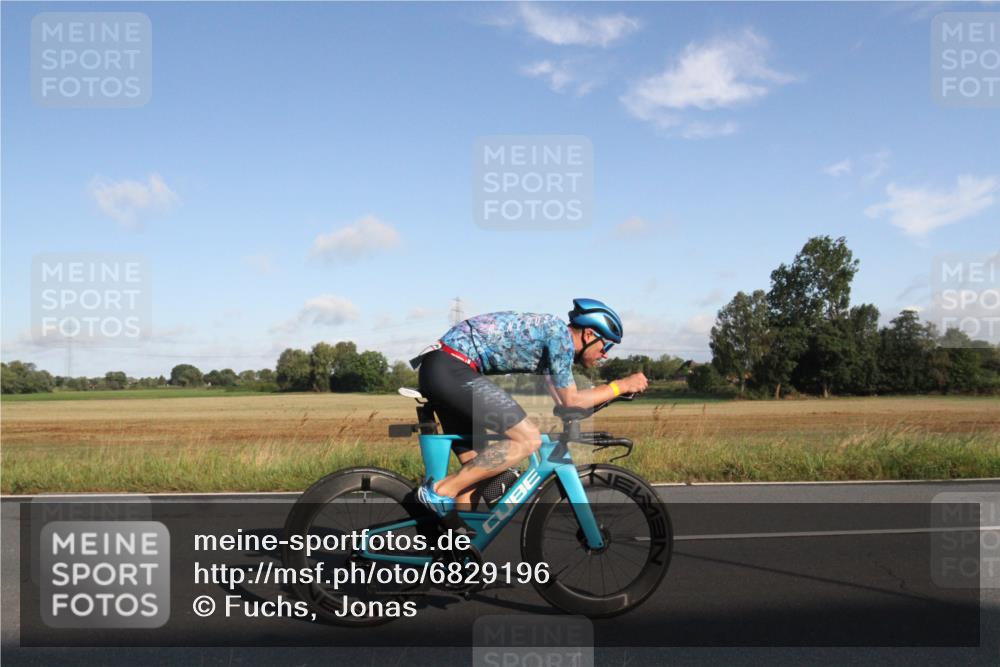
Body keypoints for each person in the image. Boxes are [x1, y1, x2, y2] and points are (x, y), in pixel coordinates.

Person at [414, 298, 648, 516]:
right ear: (589, 334)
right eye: (606, 346)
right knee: (528, 440)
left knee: (475, 474)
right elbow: (572, 400)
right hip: (452, 368)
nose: (605, 356)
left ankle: (456, 549)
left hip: (444, 368)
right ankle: (439, 491)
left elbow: (566, 404)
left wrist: (608, 397)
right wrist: (621, 385)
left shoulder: (552, 347)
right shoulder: (559, 336)